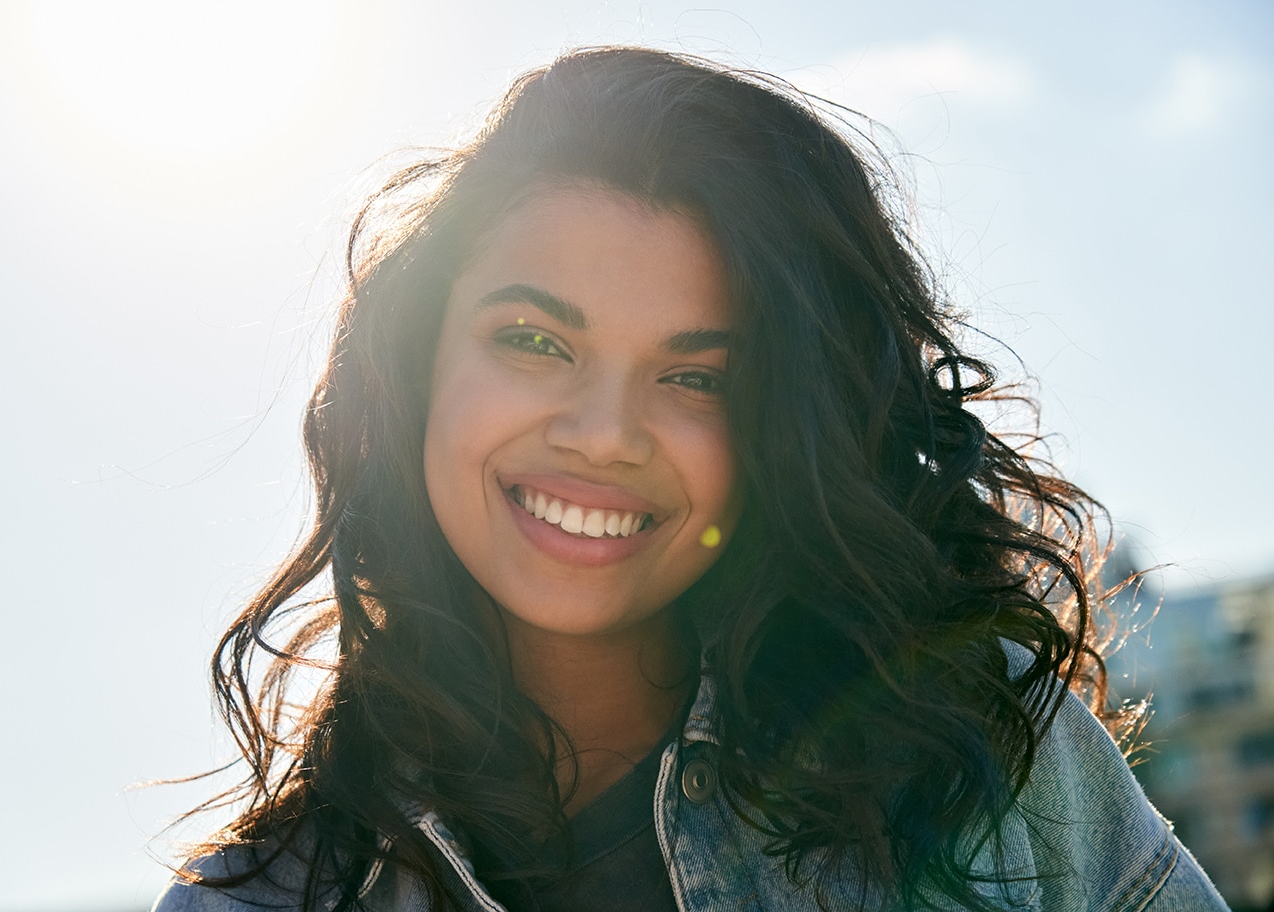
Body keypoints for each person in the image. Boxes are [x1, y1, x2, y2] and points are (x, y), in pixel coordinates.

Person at [153, 47, 1228, 912]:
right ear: (415, 364)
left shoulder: (971, 757)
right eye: (533, 342)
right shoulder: (252, 902)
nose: (605, 435)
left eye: (696, 376)